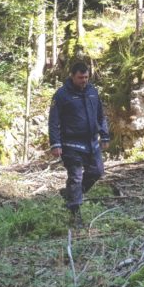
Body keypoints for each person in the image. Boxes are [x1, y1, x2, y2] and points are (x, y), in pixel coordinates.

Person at [49, 62, 110, 228]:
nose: (84, 80)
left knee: (97, 171)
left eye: (86, 77)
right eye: (80, 77)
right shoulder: (61, 95)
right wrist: (55, 144)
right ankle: (75, 214)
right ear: (72, 76)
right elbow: (53, 121)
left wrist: (105, 135)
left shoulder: (92, 91)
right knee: (75, 177)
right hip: (71, 143)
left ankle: (71, 195)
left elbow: (101, 115)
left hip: (92, 142)